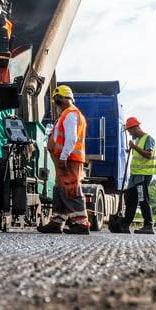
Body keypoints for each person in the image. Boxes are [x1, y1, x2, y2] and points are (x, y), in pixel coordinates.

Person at [38, 85, 90, 235]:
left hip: (69, 159)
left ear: (60, 98)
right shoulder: (69, 114)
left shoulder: (70, 115)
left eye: (57, 101)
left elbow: (71, 139)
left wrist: (63, 156)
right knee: (60, 189)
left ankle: (81, 224)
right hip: (67, 159)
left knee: (71, 189)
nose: (56, 105)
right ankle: (56, 222)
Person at [121, 116, 156, 234]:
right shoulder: (137, 140)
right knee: (130, 198)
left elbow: (148, 155)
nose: (130, 133)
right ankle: (125, 224)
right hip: (135, 175)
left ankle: (148, 225)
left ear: (136, 128)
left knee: (143, 199)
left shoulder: (148, 139)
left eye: (130, 131)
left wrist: (134, 147)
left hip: (143, 175)